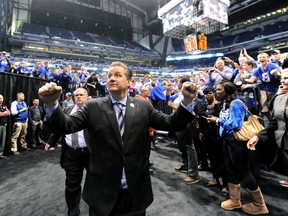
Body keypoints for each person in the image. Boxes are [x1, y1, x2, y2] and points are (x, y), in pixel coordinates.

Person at [38, 61, 197, 216]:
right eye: (109, 75)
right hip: (102, 190)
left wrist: (187, 101)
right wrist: (52, 105)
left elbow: (171, 123)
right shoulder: (92, 106)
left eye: (118, 75)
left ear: (129, 81)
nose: (111, 78)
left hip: (135, 190)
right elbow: (66, 126)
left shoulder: (143, 106)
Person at [207, 81, 269, 215]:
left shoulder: (236, 103)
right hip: (228, 141)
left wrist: (217, 120)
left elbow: (235, 125)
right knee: (231, 170)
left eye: (219, 89)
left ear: (227, 90)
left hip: (237, 143)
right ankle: (235, 200)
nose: (217, 92)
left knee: (243, 171)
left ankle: (260, 204)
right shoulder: (226, 102)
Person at [45, 88, 90, 216]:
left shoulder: (94, 112)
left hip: (90, 153)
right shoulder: (66, 111)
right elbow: (60, 127)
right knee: (72, 185)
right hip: (71, 153)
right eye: (76, 95)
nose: (79, 97)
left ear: (87, 96)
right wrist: (51, 140)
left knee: (94, 183)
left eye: (81, 94)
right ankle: (73, 211)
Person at [247, 68, 288, 188]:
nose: (282, 81)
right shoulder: (280, 97)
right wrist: (258, 136)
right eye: (282, 78)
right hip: (283, 139)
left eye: (286, 78)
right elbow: (274, 122)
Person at [0, 94, 11, 159]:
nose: (1, 99)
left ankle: (0, 154)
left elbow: (9, 113)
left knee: (2, 141)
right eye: (0, 98)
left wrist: (3, 113)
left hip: (4, 125)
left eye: (2, 98)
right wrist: (4, 113)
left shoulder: (4, 106)